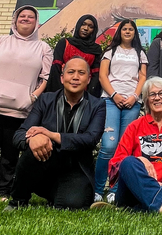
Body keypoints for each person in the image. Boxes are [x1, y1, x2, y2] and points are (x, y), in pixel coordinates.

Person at [0, 6, 53, 201]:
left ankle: (3, 192)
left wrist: (32, 97)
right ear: (15, 21)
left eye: (30, 17)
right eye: (21, 16)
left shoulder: (44, 48)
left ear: (36, 22)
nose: (25, 19)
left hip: (20, 111)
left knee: (10, 154)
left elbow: (46, 77)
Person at [6, 57, 106, 210]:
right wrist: (31, 140)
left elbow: (90, 139)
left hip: (76, 168)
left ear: (88, 79)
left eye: (81, 73)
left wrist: (51, 135)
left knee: (71, 205)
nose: (75, 77)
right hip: (45, 163)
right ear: (62, 77)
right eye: (71, 72)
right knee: (36, 144)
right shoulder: (46, 100)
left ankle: (59, 193)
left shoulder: (97, 105)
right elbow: (19, 135)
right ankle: (18, 201)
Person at [98, 77, 162, 219]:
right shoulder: (135, 126)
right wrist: (140, 160)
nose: (157, 98)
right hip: (131, 192)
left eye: (161, 93)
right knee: (128, 161)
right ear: (146, 100)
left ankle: (127, 210)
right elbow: (116, 162)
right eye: (152, 95)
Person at [94, 19, 148, 202]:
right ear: (119, 32)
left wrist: (134, 96)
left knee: (124, 148)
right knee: (109, 146)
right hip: (110, 100)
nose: (127, 31)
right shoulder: (111, 51)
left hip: (132, 103)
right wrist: (114, 94)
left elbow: (142, 77)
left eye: (130, 29)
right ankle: (97, 189)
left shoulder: (140, 53)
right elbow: (102, 75)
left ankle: (114, 190)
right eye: (124, 29)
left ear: (135, 33)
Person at [46, 14, 102, 95]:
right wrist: (59, 92)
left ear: (94, 30)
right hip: (61, 87)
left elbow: (95, 74)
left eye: (90, 26)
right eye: (83, 24)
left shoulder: (96, 49)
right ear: (78, 25)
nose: (86, 28)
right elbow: (56, 68)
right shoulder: (65, 43)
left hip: (83, 91)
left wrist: (88, 95)